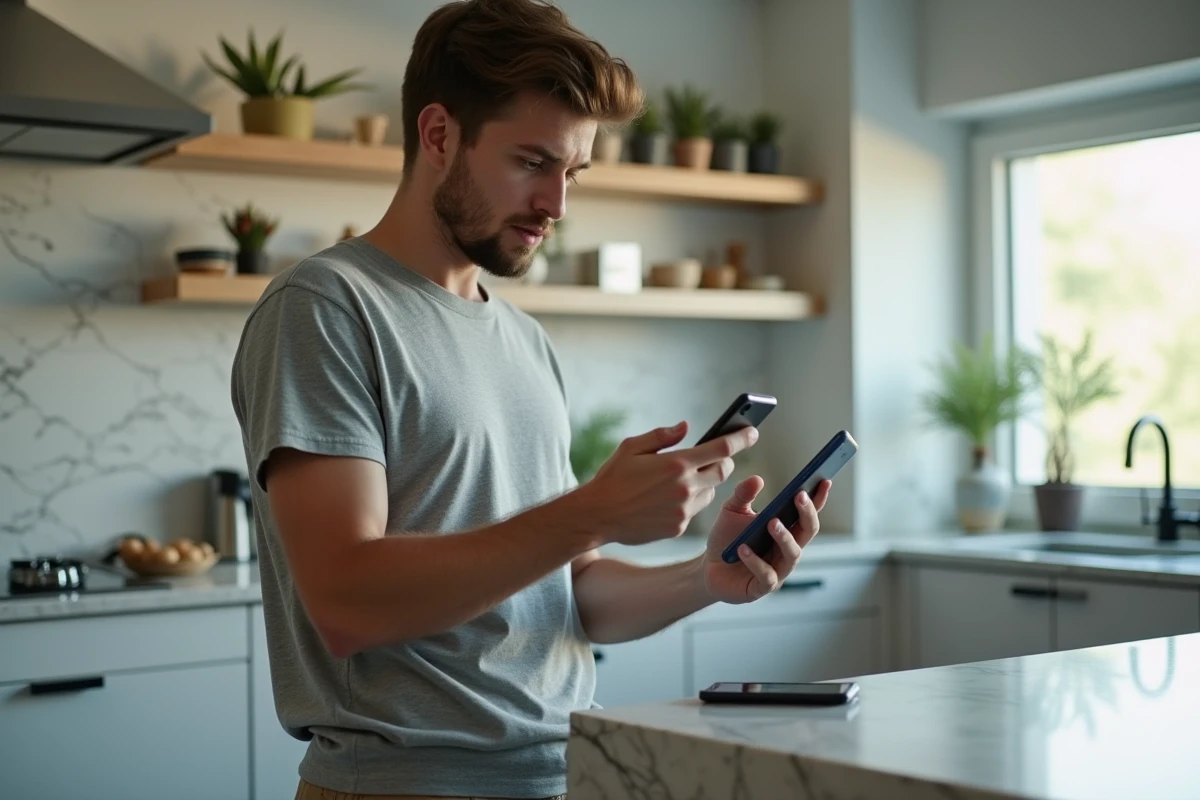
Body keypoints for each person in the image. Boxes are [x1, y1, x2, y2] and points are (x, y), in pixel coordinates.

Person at [229, 0, 832, 798]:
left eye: (572, 172)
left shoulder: (522, 339)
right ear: (439, 135)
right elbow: (348, 601)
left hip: (561, 774)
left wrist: (704, 579)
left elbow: (566, 592)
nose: (558, 204)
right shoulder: (326, 307)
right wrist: (593, 510)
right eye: (531, 162)